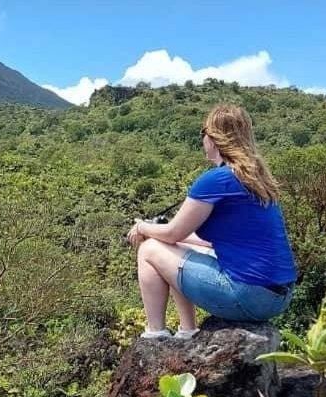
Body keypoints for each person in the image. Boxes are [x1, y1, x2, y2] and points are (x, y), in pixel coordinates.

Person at [126, 103, 296, 339]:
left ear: (214, 138)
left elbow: (174, 232)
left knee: (149, 249)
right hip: (279, 297)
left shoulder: (216, 180)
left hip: (248, 295)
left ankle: (156, 334)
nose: (202, 140)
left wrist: (143, 227)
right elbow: (194, 240)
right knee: (176, 248)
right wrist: (160, 232)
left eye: (202, 133)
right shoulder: (256, 179)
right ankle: (187, 330)